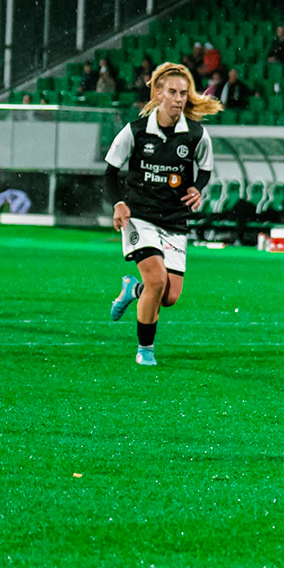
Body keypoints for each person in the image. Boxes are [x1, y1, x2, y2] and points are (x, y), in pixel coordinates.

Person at [104, 63, 218, 366]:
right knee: (156, 281)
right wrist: (118, 203)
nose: (179, 98)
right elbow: (110, 172)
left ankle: (132, 289)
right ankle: (145, 350)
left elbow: (205, 169)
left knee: (169, 296)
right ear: (158, 93)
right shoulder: (136, 131)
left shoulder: (195, 134)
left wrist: (198, 187)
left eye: (183, 93)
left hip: (174, 221)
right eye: (172, 92)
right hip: (140, 216)